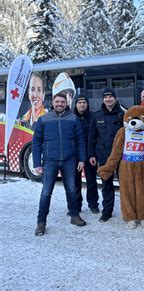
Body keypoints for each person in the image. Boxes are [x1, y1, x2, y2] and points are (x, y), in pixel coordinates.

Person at [33, 92, 87, 236]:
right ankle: (41, 222)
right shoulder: (43, 119)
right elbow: (36, 142)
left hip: (70, 161)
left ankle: (74, 216)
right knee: (46, 192)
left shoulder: (74, 118)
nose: (59, 104)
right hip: (50, 162)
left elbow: (81, 140)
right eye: (57, 102)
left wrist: (81, 159)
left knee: (71, 189)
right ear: (53, 102)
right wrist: (37, 163)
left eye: (62, 102)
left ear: (66, 103)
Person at [88, 88, 125, 223]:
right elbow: (92, 137)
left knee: (124, 185)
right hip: (103, 156)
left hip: (121, 157)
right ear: (103, 99)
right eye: (106, 97)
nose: (108, 99)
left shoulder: (122, 115)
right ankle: (106, 212)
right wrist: (91, 154)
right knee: (106, 185)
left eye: (111, 97)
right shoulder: (97, 116)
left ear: (115, 98)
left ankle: (127, 211)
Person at [73, 95, 99, 214]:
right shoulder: (71, 118)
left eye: (84, 102)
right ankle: (76, 206)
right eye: (80, 102)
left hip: (89, 155)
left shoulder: (93, 117)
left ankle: (93, 205)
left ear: (87, 104)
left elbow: (95, 137)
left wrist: (92, 153)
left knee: (91, 181)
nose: (82, 104)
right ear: (76, 104)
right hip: (74, 155)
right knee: (75, 182)